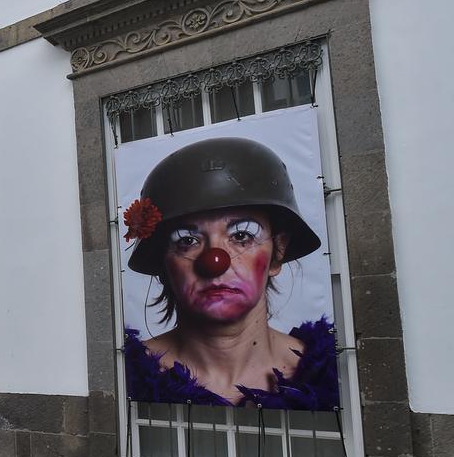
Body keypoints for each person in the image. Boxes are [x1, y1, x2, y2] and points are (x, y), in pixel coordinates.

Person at [121, 136, 338, 410]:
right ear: (163, 263)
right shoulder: (124, 376)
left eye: (242, 235)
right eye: (187, 240)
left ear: (277, 252)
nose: (215, 261)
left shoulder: (334, 370)